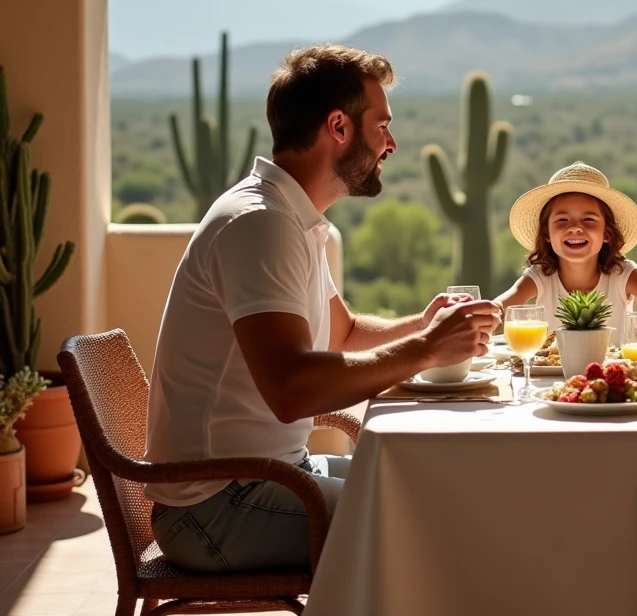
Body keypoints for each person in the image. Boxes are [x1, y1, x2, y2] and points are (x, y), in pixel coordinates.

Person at [144, 45, 500, 572]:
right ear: (339, 126)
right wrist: (426, 349)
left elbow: (344, 332)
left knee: (430, 481)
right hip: (217, 507)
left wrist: (423, 324)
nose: (391, 143)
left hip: (274, 473)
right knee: (434, 522)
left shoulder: (291, 219)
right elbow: (291, 389)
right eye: (381, 126)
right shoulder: (260, 224)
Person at [495, 162, 637, 340]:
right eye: (563, 220)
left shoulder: (623, 274)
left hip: (614, 367)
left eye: (588, 219)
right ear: (547, 233)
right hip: (554, 368)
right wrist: (480, 314)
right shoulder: (540, 276)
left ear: (607, 234)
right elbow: (500, 308)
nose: (575, 228)